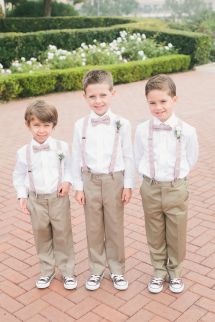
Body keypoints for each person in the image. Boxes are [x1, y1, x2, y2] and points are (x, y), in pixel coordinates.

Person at [134, 74, 198, 294]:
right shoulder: (142, 130)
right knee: (154, 231)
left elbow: (192, 157)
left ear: (174, 99)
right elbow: (138, 156)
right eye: (152, 103)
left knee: (177, 232)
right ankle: (159, 271)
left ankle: (175, 271)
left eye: (163, 101)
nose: (158, 107)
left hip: (176, 188)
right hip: (150, 187)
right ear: (147, 103)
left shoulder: (187, 130)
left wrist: (177, 177)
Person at [71, 69, 134, 291]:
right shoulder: (80, 125)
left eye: (102, 95)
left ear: (112, 94)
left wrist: (128, 184)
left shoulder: (122, 123)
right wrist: (78, 187)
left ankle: (117, 270)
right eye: (92, 96)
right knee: (93, 227)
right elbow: (76, 157)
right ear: (84, 97)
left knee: (115, 227)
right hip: (89, 180)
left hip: (114, 180)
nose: (98, 101)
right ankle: (96, 269)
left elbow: (128, 155)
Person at [13, 100, 77, 290]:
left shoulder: (62, 147)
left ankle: (67, 271)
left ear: (53, 125)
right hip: (36, 199)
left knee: (63, 234)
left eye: (46, 125)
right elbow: (18, 175)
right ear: (28, 125)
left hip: (58, 198)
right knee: (41, 235)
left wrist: (67, 181)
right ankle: (47, 271)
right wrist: (22, 195)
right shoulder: (23, 152)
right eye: (37, 125)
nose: (42, 130)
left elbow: (69, 168)